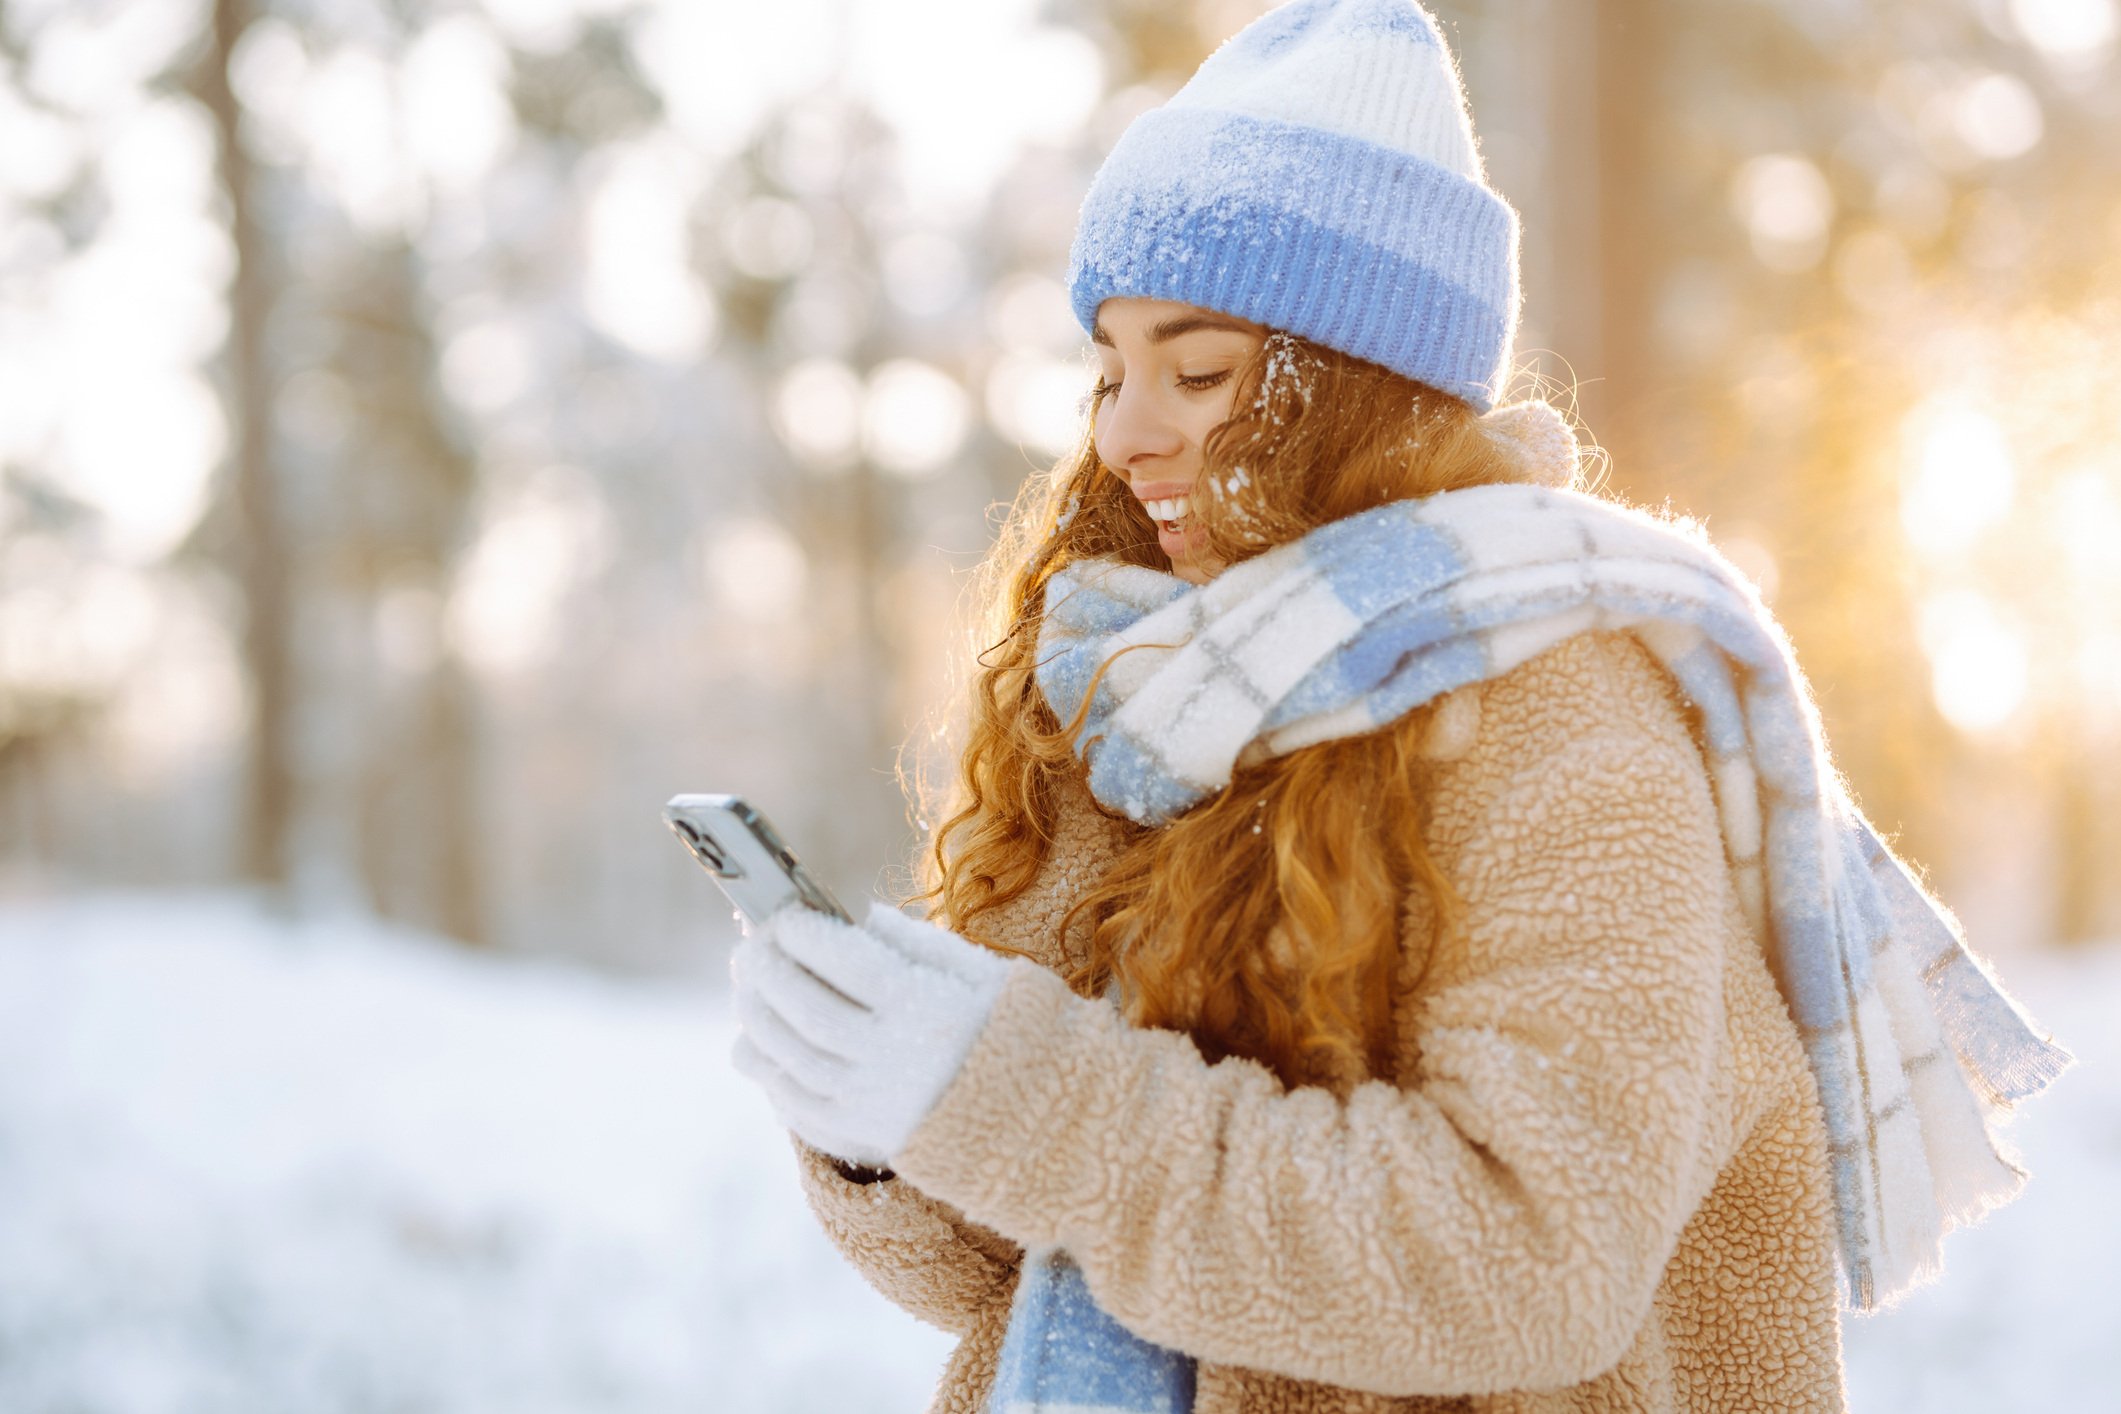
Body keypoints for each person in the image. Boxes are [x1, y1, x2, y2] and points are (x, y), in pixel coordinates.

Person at [724, 3, 2070, 1412]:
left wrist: (1016, 1090)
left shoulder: (1563, 709)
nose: (1123, 431)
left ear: (1356, 389)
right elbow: (1003, 1265)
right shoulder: (1144, 698)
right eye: (1108, 371)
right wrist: (877, 1105)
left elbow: (1529, 1258)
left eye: (1196, 372)